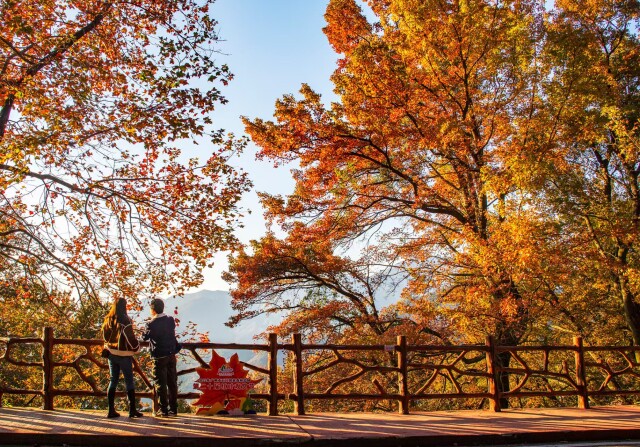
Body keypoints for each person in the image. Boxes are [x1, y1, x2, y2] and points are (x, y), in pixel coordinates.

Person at [101, 297, 144, 418]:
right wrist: (136, 348)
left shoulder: (107, 320)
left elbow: (105, 337)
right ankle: (132, 410)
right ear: (124, 306)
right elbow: (130, 338)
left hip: (111, 354)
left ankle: (110, 410)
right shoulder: (125, 320)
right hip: (124, 355)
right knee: (129, 381)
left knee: (113, 380)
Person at [143, 298, 180, 417]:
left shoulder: (151, 324)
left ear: (153, 309)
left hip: (159, 356)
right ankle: (173, 409)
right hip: (171, 354)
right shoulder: (170, 320)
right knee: (172, 382)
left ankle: (163, 409)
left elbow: (144, 337)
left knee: (161, 384)